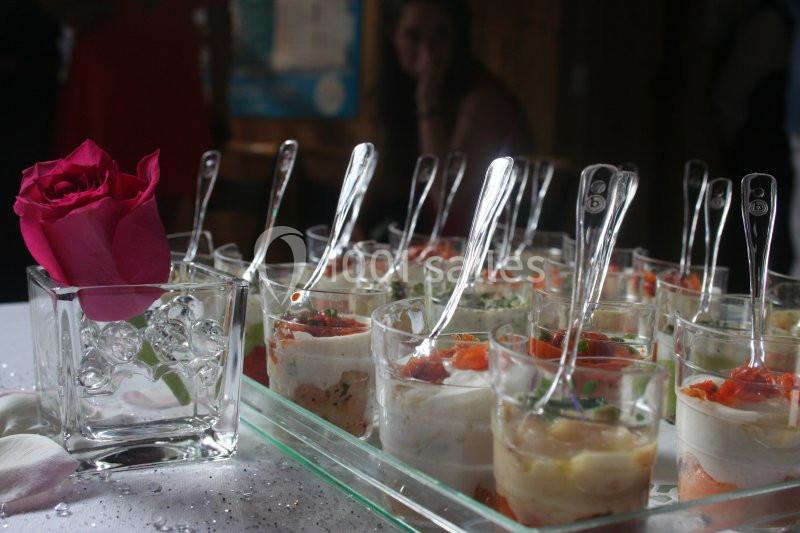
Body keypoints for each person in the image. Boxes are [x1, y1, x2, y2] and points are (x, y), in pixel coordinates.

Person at [45, 0, 231, 232]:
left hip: (168, 78)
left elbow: (219, 19)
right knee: (92, 197)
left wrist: (221, 100)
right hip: (109, 75)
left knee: (162, 200)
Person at [363, 0, 531, 238]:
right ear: (394, 37)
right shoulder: (395, 95)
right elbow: (382, 181)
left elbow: (447, 196)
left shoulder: (484, 99)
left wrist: (427, 104)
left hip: (481, 254)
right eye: (413, 36)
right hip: (423, 252)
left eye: (440, 36)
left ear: (456, 38)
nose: (428, 50)